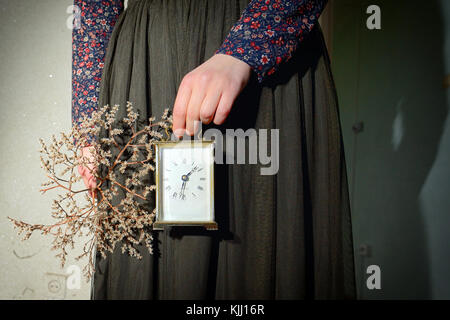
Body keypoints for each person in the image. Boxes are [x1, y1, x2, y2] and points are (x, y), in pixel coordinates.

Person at [74, 0, 356, 299]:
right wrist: (89, 128)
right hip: (147, 60)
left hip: (265, 54)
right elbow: (94, 6)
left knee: (257, 248)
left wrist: (246, 47)